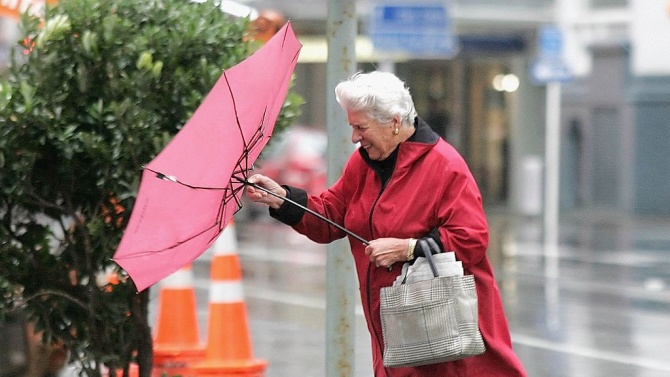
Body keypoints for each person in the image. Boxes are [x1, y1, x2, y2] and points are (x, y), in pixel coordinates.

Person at [246, 71, 527, 376]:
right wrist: (282, 199)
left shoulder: (444, 165)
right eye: (352, 126)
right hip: (398, 331)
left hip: (447, 330)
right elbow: (330, 216)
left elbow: (471, 238)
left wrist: (406, 249)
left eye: (360, 127)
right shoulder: (363, 164)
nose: (354, 137)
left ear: (394, 123)